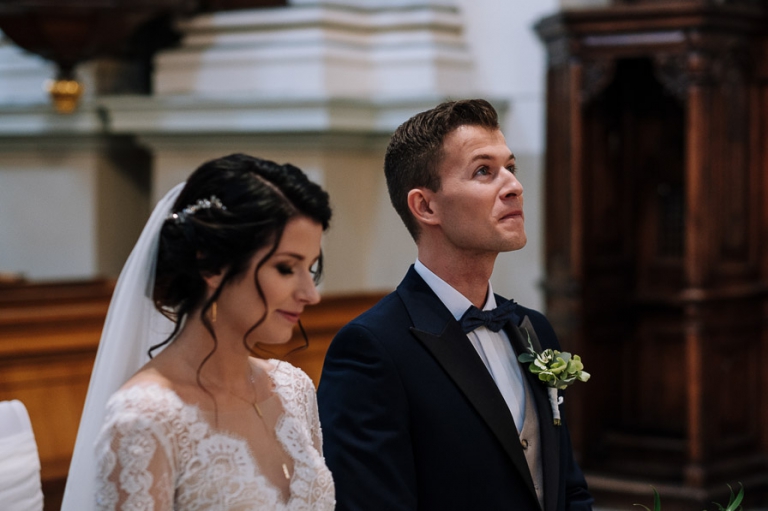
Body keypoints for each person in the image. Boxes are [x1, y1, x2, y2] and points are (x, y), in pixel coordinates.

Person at [318, 99, 593, 511]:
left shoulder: (533, 328)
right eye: (484, 171)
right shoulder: (371, 349)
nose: (514, 186)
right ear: (425, 206)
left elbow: (567, 486)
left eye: (511, 167)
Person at [61, 154, 335, 510]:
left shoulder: (293, 390)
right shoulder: (145, 418)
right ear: (211, 264)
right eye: (286, 268)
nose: (311, 294)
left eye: (310, 269)